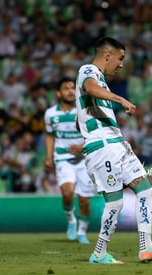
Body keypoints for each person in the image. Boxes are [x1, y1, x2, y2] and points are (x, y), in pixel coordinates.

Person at [75, 37, 152, 264]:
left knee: (144, 190)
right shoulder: (88, 70)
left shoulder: (100, 79)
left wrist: (82, 118)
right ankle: (99, 253)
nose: (121, 64)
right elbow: (90, 88)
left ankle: (146, 247)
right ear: (107, 55)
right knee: (115, 203)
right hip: (103, 148)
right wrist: (120, 100)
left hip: (118, 144)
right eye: (120, 59)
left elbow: (84, 105)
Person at [44, 77, 97, 244]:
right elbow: (49, 135)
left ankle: (82, 232)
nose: (70, 91)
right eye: (66, 88)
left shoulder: (86, 111)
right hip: (62, 159)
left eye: (72, 88)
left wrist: (83, 147)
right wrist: (48, 156)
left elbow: (96, 134)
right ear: (59, 93)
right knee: (67, 193)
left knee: (84, 200)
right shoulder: (51, 114)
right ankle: (71, 221)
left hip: (85, 159)